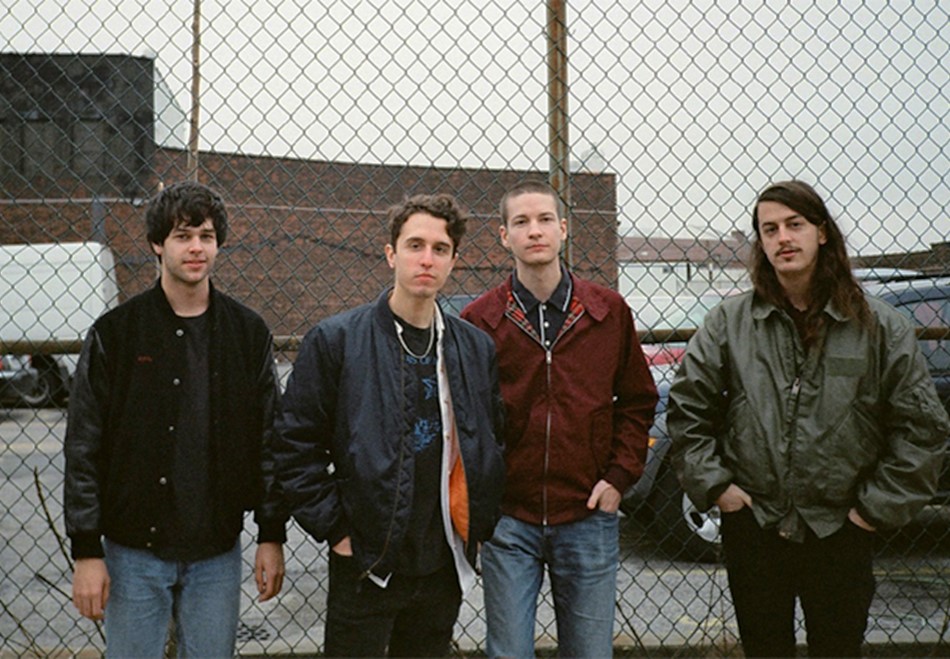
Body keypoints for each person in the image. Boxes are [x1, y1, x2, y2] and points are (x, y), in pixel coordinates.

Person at [667, 180, 949, 658]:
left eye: (794, 224)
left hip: (842, 526)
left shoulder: (878, 326)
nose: (783, 238)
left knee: (837, 648)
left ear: (821, 232)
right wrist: (718, 488)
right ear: (761, 242)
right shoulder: (730, 323)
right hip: (755, 521)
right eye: (769, 229)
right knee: (764, 648)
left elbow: (922, 429)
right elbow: (687, 409)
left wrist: (871, 511)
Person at [274, 193, 506, 657]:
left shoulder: (474, 348)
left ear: (454, 260)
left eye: (440, 249)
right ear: (390, 254)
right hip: (366, 561)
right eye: (415, 245)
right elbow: (293, 445)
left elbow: (491, 442)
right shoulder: (337, 340)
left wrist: (477, 524)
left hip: (442, 561)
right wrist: (337, 531)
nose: (427, 259)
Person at [64, 180, 287, 657]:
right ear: (156, 244)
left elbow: (270, 439)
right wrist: (86, 551)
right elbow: (84, 446)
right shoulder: (117, 334)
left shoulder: (247, 333)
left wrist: (272, 534)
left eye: (206, 236)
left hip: (216, 551)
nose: (196, 248)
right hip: (133, 552)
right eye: (183, 236)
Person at [461, 180, 658, 658]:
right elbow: (467, 419)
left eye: (545, 219)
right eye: (521, 222)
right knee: (509, 651)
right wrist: (484, 499)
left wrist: (618, 477)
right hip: (510, 519)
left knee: (590, 651)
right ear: (504, 236)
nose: (535, 231)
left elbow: (637, 401)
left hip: (588, 512)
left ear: (564, 229)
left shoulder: (607, 311)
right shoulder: (480, 319)